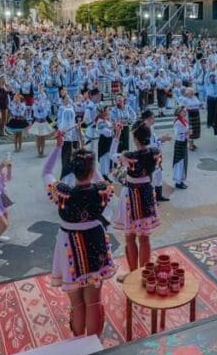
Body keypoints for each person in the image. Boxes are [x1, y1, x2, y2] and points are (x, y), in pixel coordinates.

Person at [42, 134, 116, 336]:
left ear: (72, 169)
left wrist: (58, 147)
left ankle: (79, 342)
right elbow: (101, 180)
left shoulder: (63, 193)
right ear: (91, 170)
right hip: (95, 240)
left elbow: (46, 171)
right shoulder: (101, 191)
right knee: (93, 301)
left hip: (69, 244)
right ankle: (93, 343)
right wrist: (91, 165)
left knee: (77, 302)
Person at [112, 121, 160, 277]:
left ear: (136, 139)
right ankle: (144, 274)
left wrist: (117, 136)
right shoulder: (155, 152)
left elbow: (112, 156)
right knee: (144, 238)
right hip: (146, 193)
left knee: (130, 238)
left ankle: (133, 275)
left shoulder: (129, 156)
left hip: (131, 196)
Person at [172, 105, 190, 190]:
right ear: (179, 112)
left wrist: (187, 134)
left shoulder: (183, 120)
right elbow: (177, 135)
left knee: (183, 162)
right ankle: (178, 182)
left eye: (185, 111)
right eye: (183, 111)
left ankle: (181, 180)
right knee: (179, 163)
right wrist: (186, 134)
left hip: (184, 143)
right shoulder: (177, 122)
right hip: (180, 143)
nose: (185, 112)